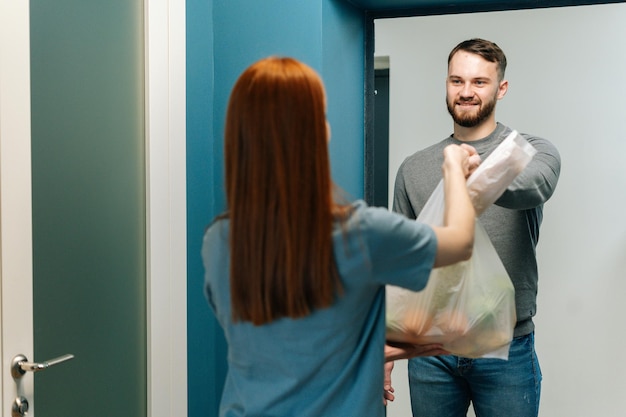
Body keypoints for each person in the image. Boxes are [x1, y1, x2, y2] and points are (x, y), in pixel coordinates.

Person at [202, 56, 481, 417]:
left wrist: (393, 347)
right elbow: (460, 241)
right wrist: (454, 169)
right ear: (315, 133)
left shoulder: (218, 241)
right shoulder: (358, 234)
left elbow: (288, 340)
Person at [390, 38, 561, 417]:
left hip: (507, 350)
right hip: (431, 351)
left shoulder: (530, 151)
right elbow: (404, 262)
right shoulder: (413, 168)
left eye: (479, 82)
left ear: (501, 88)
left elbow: (533, 187)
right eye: (456, 81)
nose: (466, 92)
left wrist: (466, 173)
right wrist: (389, 345)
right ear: (447, 84)